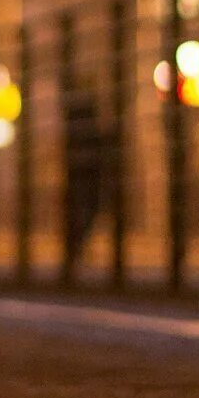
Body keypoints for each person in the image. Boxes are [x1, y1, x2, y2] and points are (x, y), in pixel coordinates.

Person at [60, 76, 117, 279]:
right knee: (86, 210)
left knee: (84, 210)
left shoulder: (77, 118)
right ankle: (76, 250)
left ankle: (75, 251)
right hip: (87, 173)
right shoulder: (84, 118)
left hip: (84, 173)